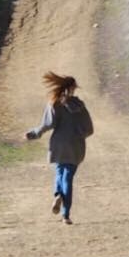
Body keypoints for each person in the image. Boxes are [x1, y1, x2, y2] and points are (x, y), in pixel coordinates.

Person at [25, 71, 94, 224]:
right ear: (73, 88)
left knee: (59, 171)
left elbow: (47, 124)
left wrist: (34, 134)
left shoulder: (54, 103)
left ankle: (57, 195)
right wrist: (79, 134)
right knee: (68, 177)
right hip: (75, 145)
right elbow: (89, 129)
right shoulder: (80, 106)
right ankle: (66, 215)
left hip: (59, 143)